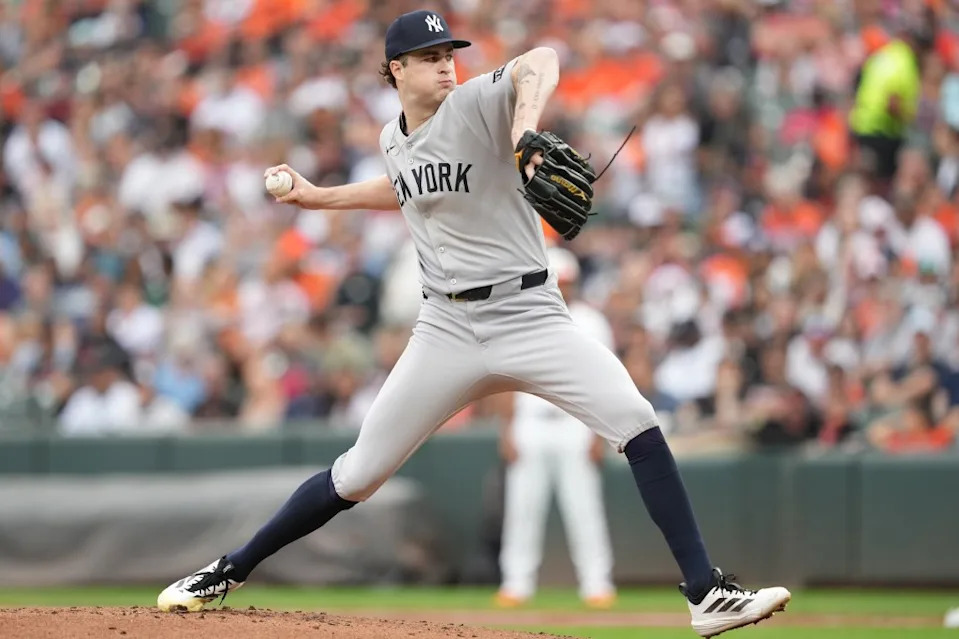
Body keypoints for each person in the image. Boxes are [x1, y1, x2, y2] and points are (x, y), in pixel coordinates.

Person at [158, 10, 791, 636]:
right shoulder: (392, 138)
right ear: (396, 69)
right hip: (447, 330)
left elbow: (539, 60)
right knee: (357, 474)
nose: (445, 65)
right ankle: (229, 569)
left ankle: (705, 594)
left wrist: (522, 131)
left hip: (530, 313)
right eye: (430, 58)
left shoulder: (474, 105)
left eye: (448, 54)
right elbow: (405, 185)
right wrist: (317, 196)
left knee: (637, 421)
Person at [496, 247, 616, 610]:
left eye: (568, 282)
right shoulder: (522, 317)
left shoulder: (592, 321)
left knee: (584, 509)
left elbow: (604, 382)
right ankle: (516, 584)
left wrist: (599, 434)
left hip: (576, 424)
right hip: (530, 423)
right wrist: (507, 430)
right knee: (522, 510)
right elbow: (505, 381)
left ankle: (597, 584)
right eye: (558, 281)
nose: (563, 288)